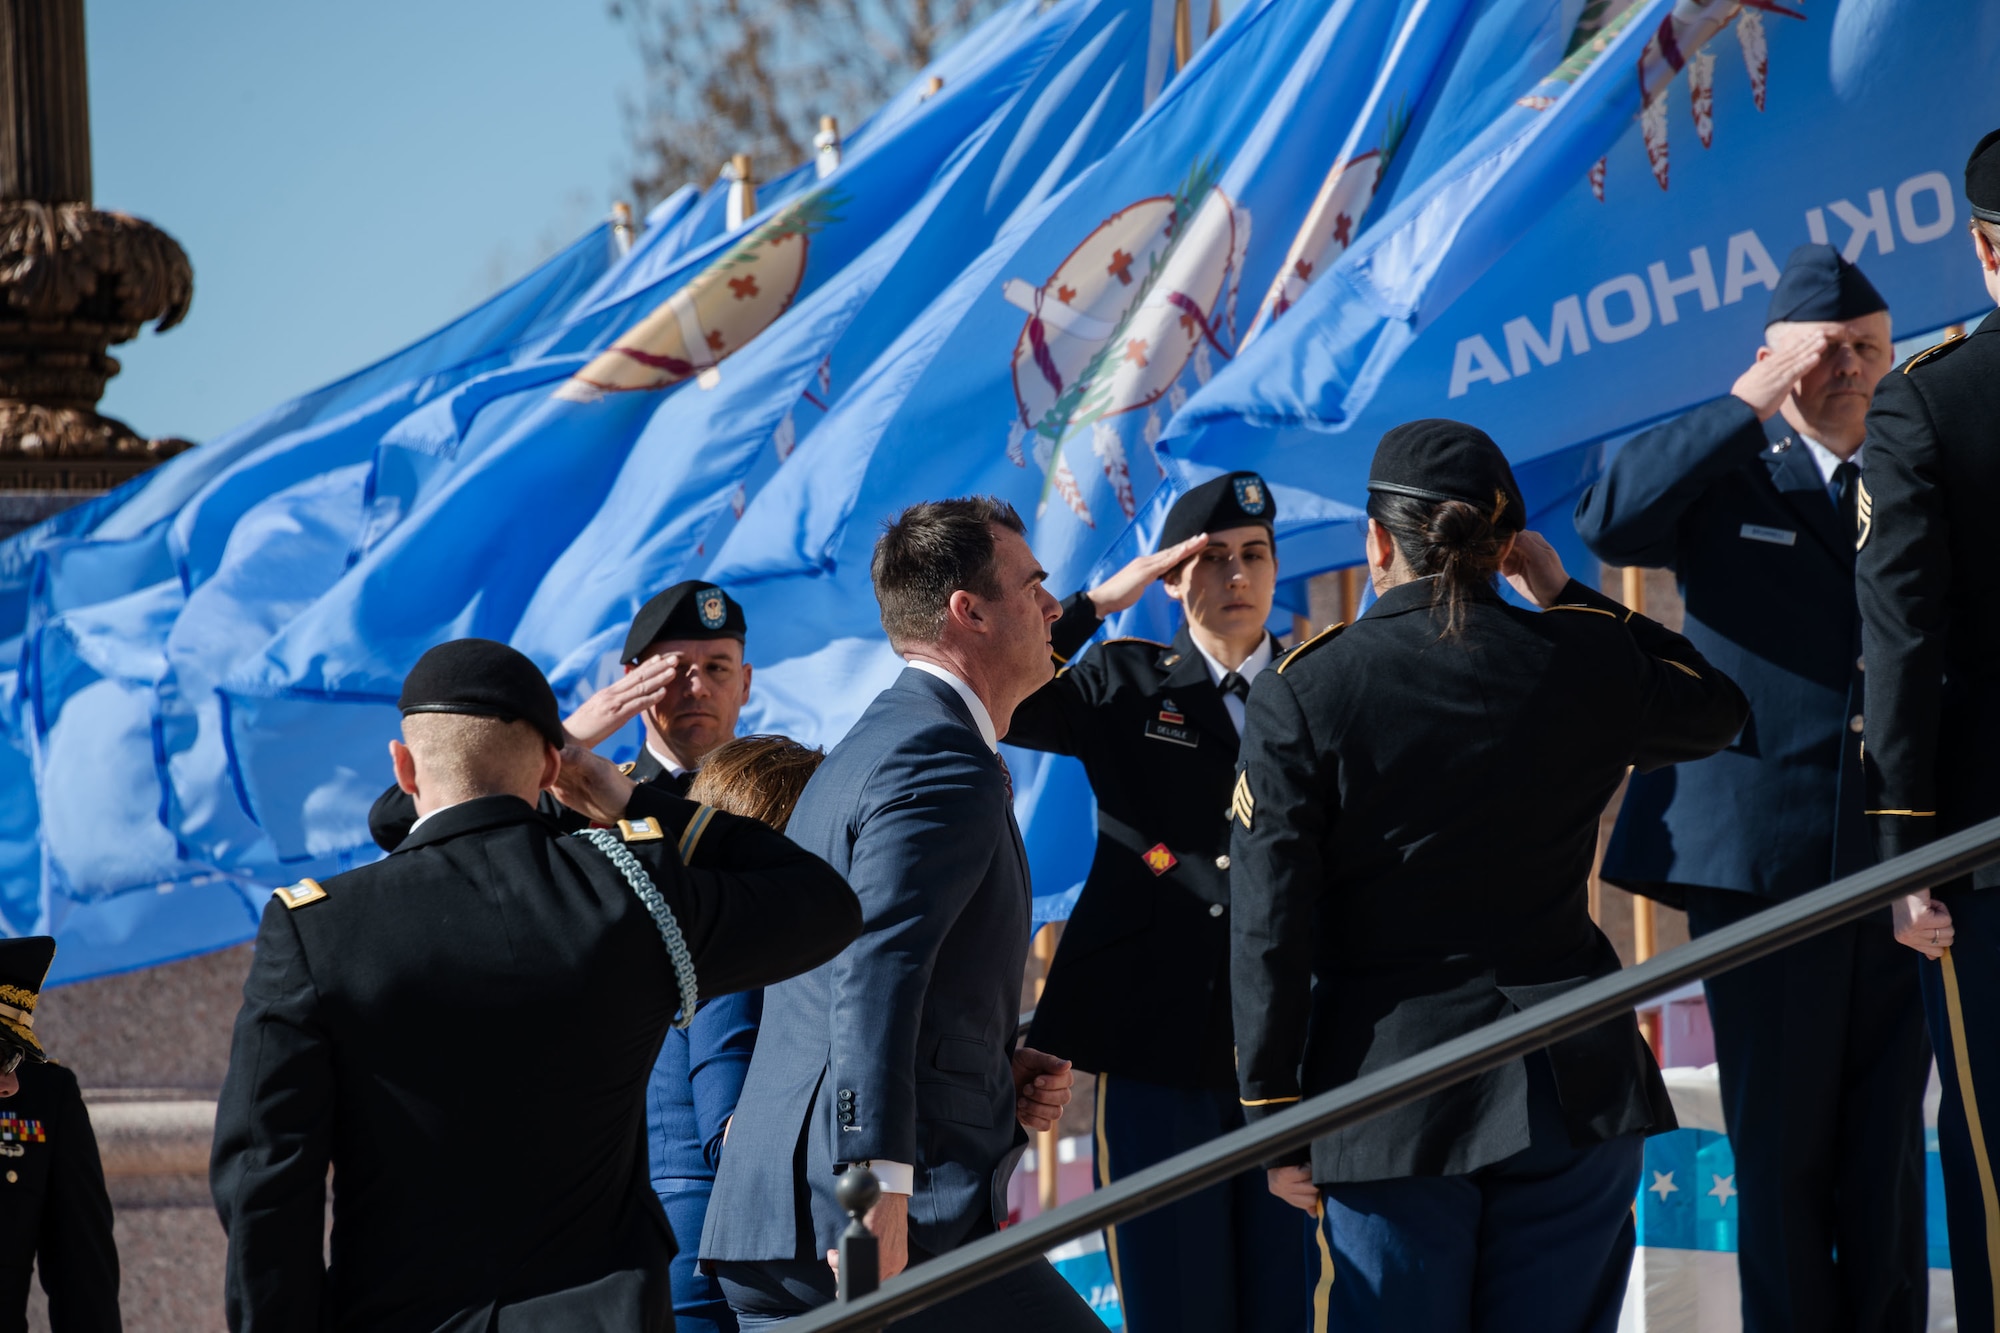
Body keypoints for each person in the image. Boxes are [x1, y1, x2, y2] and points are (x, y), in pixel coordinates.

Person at [1232, 420, 1748, 1333]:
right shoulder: (1581, 658)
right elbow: (1718, 707)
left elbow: (1270, 919)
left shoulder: (1308, 688)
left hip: (1390, 1099)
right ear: (1506, 546)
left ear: (1379, 540)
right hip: (1572, 1084)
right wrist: (1568, 594)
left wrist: (1273, 1108)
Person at [210, 637, 859, 1332]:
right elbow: (823, 904)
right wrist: (634, 799)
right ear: (553, 763)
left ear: (403, 766)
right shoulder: (626, 896)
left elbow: (267, 1186)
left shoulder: (317, 928)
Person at [1572, 244, 1929, 1331]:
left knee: (1883, 1153)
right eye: (1822, 353)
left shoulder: (1917, 474)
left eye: (1865, 348)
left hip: (1898, 860)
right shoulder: (1733, 474)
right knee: (1777, 1151)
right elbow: (1607, 516)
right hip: (1762, 873)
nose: (1848, 371)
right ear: (1773, 360)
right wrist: (1746, 400)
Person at [701, 497, 1100, 1331]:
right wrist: (872, 1183)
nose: (1053, 607)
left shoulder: (872, 747)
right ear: (971, 611)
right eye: (1034, 586)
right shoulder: (938, 755)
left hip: (788, 1219)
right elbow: (875, 971)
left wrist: (992, 1066)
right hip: (876, 1223)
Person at [1007, 471, 1311, 1331]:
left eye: (1255, 555)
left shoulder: (1318, 685)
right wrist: (1102, 598)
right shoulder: (1126, 682)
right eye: (1212, 559)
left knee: (1289, 1301)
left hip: (1289, 1052)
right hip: (1155, 1048)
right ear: (1174, 579)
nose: (1238, 576)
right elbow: (1013, 695)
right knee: (1174, 1301)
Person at [1856, 127, 2000, 1333]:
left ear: (1980, 248)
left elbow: (1901, 640)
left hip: (1983, 857)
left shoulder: (1924, 402)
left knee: (1997, 1155)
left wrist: (1906, 857)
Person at [649, 735, 825, 1333]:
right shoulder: (738, 935)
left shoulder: (695, 922)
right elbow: (729, 1128)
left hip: (697, 1235)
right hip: (711, 1246)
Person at [367, 580, 754, 849]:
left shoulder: (785, 785)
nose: (697, 687)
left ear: (746, 683)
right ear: (632, 682)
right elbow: (394, 823)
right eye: (672, 670)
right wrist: (558, 741)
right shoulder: (576, 789)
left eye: (717, 668)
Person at [0, 938, 119, 1333]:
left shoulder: (47, 1095)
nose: (11, 1085)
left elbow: (84, 1288)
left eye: (14, 1059)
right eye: (1, 1056)